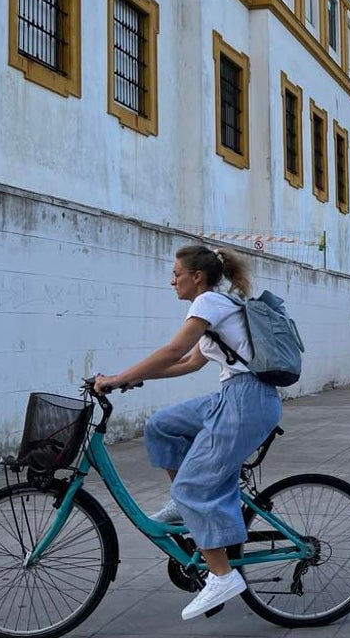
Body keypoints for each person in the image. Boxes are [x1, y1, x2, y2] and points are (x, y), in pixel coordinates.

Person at [94, 245, 281, 620]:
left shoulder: (209, 302)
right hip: (235, 396)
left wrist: (118, 377)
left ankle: (222, 574)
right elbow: (189, 362)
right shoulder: (217, 307)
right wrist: (133, 379)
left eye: (176, 272)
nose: (171, 279)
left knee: (193, 485)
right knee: (162, 426)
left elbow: (172, 349)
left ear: (197, 277)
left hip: (247, 401)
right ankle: (190, 507)